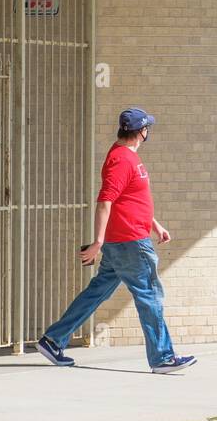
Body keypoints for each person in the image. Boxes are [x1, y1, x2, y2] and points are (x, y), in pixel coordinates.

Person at [38, 109, 196, 374]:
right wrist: (98, 241)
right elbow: (105, 202)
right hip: (131, 242)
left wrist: (154, 224)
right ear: (142, 132)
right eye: (148, 129)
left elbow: (130, 200)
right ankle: (162, 357)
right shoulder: (122, 159)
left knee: (97, 292)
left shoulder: (126, 156)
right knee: (150, 295)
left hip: (125, 239)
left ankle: (53, 340)